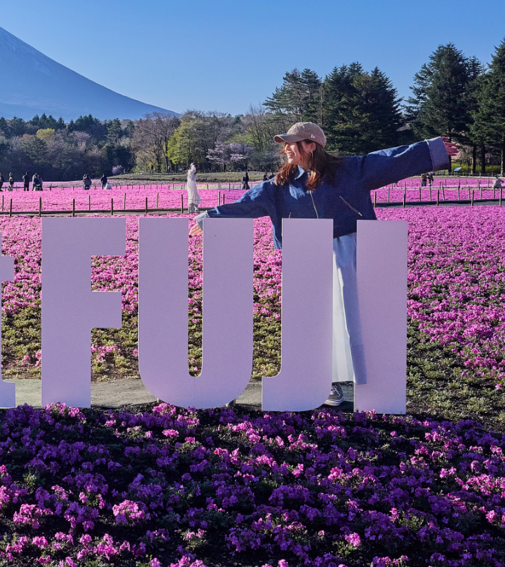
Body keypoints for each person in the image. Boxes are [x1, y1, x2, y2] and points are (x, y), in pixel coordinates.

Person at [190, 122, 457, 409]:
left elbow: (390, 160)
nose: (286, 149)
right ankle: (322, 381)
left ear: (311, 145)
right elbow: (247, 204)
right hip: (304, 257)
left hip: (347, 249)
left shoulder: (349, 170)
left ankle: (357, 380)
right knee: (311, 318)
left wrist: (432, 150)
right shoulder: (279, 185)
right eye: (286, 143)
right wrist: (209, 217)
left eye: (293, 143)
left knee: (348, 316)